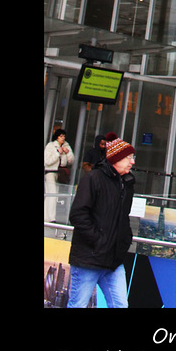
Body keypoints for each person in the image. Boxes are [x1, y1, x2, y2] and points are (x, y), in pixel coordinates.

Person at [66, 131, 136, 308]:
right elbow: (78, 214)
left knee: (120, 305)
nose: (132, 162)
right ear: (115, 159)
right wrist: (99, 240)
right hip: (89, 258)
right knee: (78, 305)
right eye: (129, 157)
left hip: (113, 259)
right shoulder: (93, 178)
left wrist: (123, 240)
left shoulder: (126, 183)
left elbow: (123, 217)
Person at [44, 128, 75, 222]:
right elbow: (47, 161)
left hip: (60, 173)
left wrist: (68, 153)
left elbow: (71, 161)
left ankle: (47, 216)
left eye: (64, 136)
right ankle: (51, 218)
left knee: (55, 195)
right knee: (51, 194)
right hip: (50, 171)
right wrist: (58, 153)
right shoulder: (51, 146)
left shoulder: (66, 146)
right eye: (61, 136)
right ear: (56, 137)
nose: (63, 138)